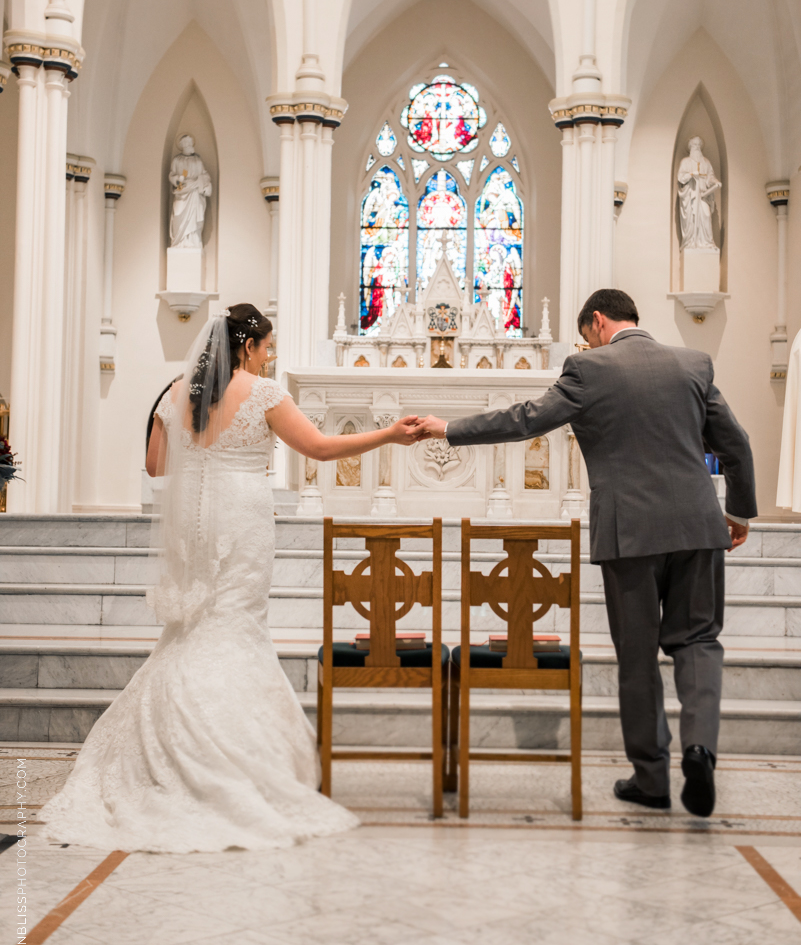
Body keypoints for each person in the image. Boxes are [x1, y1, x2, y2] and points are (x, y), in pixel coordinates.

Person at [40, 304, 420, 853]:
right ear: (247, 347)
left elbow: (155, 467)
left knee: (195, 627)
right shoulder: (262, 394)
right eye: (267, 348)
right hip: (242, 518)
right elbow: (317, 447)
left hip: (197, 521)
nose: (269, 358)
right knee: (236, 623)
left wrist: (163, 419)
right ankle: (225, 754)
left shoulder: (178, 392)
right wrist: (387, 435)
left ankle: (165, 749)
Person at [413, 289, 757, 817]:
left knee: (638, 656)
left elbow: (526, 419)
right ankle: (699, 749)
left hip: (630, 533)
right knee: (699, 642)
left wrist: (448, 428)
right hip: (697, 525)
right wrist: (738, 511)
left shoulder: (589, 368)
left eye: (584, 333)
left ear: (596, 321)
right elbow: (734, 443)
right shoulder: (693, 363)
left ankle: (651, 779)